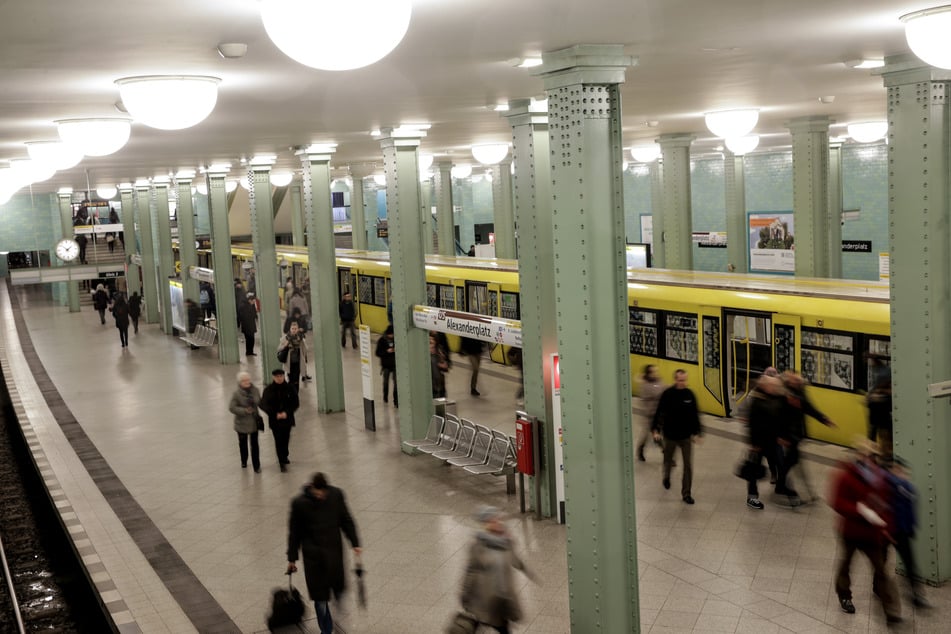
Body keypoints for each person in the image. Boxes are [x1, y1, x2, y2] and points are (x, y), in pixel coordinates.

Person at [830, 438, 901, 623]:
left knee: (881, 569)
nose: (870, 458)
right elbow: (837, 502)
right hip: (851, 532)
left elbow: (886, 505)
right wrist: (860, 511)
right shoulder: (846, 476)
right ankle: (844, 595)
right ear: (859, 455)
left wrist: (888, 527)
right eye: (866, 454)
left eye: (873, 455)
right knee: (846, 564)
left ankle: (890, 609)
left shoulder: (880, 478)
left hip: (871, 534)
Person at [286, 473, 361, 634]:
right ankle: (326, 630)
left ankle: (337, 616)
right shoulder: (299, 504)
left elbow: (346, 519)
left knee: (339, 591)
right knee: (320, 599)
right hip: (314, 560)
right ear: (312, 488)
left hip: (334, 554)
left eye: (323, 492)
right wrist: (292, 558)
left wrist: (355, 542)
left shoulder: (336, 495)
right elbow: (294, 533)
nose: (320, 495)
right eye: (317, 492)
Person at [458, 506, 532, 634]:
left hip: (503, 598)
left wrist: (526, 570)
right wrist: (465, 594)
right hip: (485, 599)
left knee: (502, 627)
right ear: (486, 524)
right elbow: (470, 571)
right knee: (482, 624)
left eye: (498, 519)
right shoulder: (478, 546)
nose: (499, 522)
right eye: (494, 520)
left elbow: (514, 559)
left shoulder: (505, 541)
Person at [777, 370, 836, 502]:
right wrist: (781, 436)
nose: (799, 382)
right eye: (796, 381)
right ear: (789, 381)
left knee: (792, 462)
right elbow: (779, 417)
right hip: (789, 435)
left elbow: (809, 408)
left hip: (796, 433)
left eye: (799, 380)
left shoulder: (799, 392)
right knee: (793, 463)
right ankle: (805, 492)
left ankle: (783, 485)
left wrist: (824, 419)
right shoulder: (783, 394)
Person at [651, 369, 702, 505]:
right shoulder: (668, 394)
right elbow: (659, 413)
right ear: (675, 380)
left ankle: (686, 494)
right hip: (670, 435)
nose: (682, 383)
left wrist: (698, 432)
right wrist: (655, 430)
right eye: (680, 380)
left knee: (688, 466)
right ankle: (666, 476)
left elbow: (695, 415)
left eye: (684, 380)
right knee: (668, 459)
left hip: (686, 437)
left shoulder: (690, 395)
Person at [885, 456, 929, 608]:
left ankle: (917, 594)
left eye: (902, 470)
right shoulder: (889, 483)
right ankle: (879, 589)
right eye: (898, 469)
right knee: (880, 562)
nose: (902, 473)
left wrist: (912, 527)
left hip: (901, 530)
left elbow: (911, 509)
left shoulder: (907, 487)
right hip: (887, 530)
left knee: (910, 563)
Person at [743, 375, 784, 510]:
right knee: (754, 470)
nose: (774, 388)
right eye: (772, 386)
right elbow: (752, 423)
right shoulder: (757, 401)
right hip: (759, 444)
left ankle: (782, 489)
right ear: (765, 386)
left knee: (782, 465)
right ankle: (752, 498)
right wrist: (753, 444)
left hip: (772, 441)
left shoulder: (772, 398)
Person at [260, 369, 299, 472]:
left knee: (286, 438)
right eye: (277, 376)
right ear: (273, 377)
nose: (279, 378)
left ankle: (285, 454)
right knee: (278, 440)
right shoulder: (268, 390)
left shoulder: (290, 388)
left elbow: (295, 403)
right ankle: (281, 462)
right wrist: (274, 414)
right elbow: (263, 404)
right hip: (275, 420)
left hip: (287, 419)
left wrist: (287, 413)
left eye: (281, 376)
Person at [227, 372, 262, 473]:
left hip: (254, 422)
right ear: (240, 382)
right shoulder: (236, 394)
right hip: (241, 423)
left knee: (255, 445)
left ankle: (257, 465)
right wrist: (244, 411)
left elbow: (259, 401)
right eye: (244, 381)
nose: (247, 382)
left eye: (248, 380)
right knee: (243, 444)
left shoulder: (255, 390)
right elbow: (232, 407)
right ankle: (244, 460)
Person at [634, 364, 666, 461]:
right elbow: (657, 393)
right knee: (654, 434)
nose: (656, 373)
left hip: (660, 413)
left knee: (657, 434)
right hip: (650, 414)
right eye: (654, 371)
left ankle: (666, 454)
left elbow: (663, 389)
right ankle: (666, 455)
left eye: (656, 371)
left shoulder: (659, 381)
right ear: (649, 373)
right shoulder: (645, 385)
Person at [867, 378, 893, 458]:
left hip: (873, 422)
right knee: (885, 440)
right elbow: (890, 408)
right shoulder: (887, 398)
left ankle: (871, 454)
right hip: (883, 423)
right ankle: (884, 455)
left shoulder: (872, 397)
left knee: (872, 439)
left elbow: (868, 405)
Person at [279, 321, 307, 390]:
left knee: (296, 381)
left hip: (298, 363)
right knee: (291, 380)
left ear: (298, 329)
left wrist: (302, 341)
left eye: (295, 329)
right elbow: (279, 349)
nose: (294, 330)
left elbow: (305, 350)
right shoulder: (285, 338)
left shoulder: (300, 339)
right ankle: (290, 394)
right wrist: (286, 345)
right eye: (292, 328)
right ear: (290, 329)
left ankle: (295, 395)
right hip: (289, 363)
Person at [375, 325, 397, 406]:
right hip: (386, 365)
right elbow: (377, 353)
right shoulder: (381, 341)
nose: (392, 336)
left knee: (396, 383)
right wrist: (386, 351)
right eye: (391, 334)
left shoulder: (396, 340)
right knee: (385, 382)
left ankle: (396, 400)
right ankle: (385, 397)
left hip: (394, 365)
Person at [430, 333, 449, 398]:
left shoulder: (439, 352)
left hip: (439, 384)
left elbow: (446, 366)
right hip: (431, 386)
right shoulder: (425, 355)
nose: (430, 344)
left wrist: (439, 364)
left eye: (431, 342)